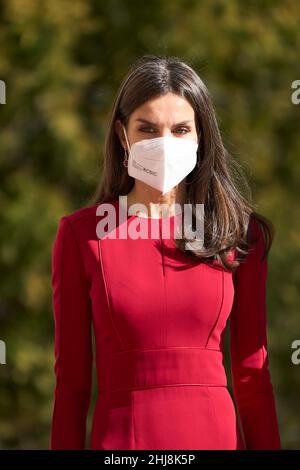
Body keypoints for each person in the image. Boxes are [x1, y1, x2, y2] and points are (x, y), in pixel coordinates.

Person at [49, 55, 282, 450]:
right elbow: (71, 384)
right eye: (148, 129)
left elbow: (252, 377)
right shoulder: (81, 236)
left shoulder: (239, 234)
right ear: (123, 137)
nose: (164, 143)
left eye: (180, 129)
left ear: (200, 136)